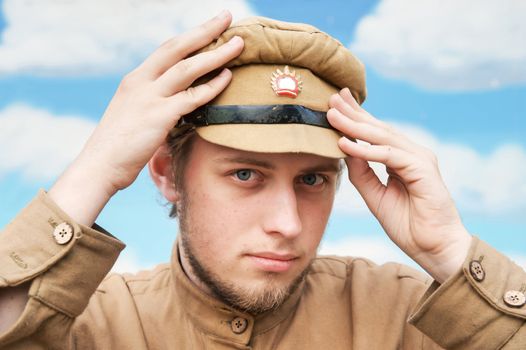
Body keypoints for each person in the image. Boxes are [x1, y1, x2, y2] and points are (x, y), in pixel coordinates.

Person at [0, 11, 525, 349]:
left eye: (314, 180)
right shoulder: (84, 322)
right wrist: (94, 170)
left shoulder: (413, 316)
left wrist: (451, 251)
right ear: (167, 174)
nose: (287, 223)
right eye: (246, 173)